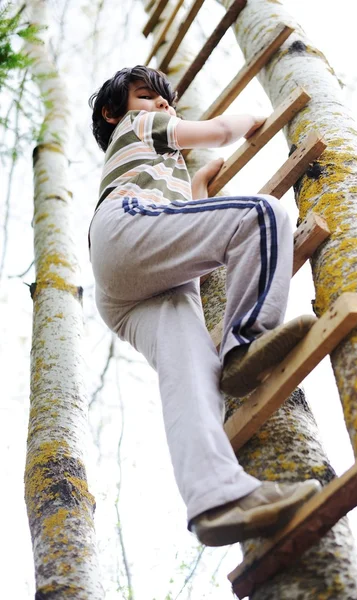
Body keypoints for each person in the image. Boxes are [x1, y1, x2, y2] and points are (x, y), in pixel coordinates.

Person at [88, 66, 321, 547]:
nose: (163, 106)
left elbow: (185, 225)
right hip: (129, 229)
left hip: (129, 282)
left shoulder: (152, 165)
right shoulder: (135, 127)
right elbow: (216, 131)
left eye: (166, 101)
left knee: (192, 378)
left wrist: (201, 187)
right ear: (115, 112)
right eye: (147, 97)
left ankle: (215, 498)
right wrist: (254, 118)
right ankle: (246, 344)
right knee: (263, 212)